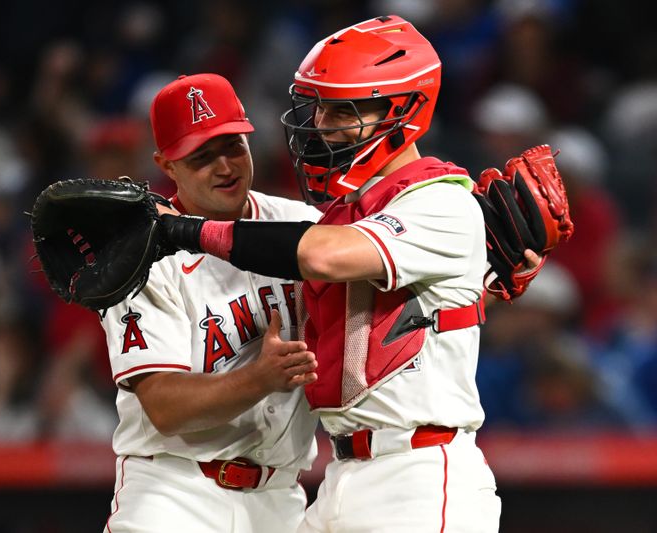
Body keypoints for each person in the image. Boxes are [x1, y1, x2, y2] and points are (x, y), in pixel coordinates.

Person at [159, 16, 507, 532]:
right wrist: (487, 289)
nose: (321, 122)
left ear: (402, 110)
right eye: (319, 105)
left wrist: (185, 231)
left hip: (418, 476)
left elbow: (322, 256)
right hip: (342, 477)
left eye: (344, 108)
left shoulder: (439, 200)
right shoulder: (355, 210)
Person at [100, 73, 322, 533]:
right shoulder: (143, 255)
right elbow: (164, 406)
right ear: (167, 165)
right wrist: (260, 377)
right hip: (175, 494)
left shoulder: (303, 227)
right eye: (202, 156)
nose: (225, 166)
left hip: (281, 499)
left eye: (233, 146)